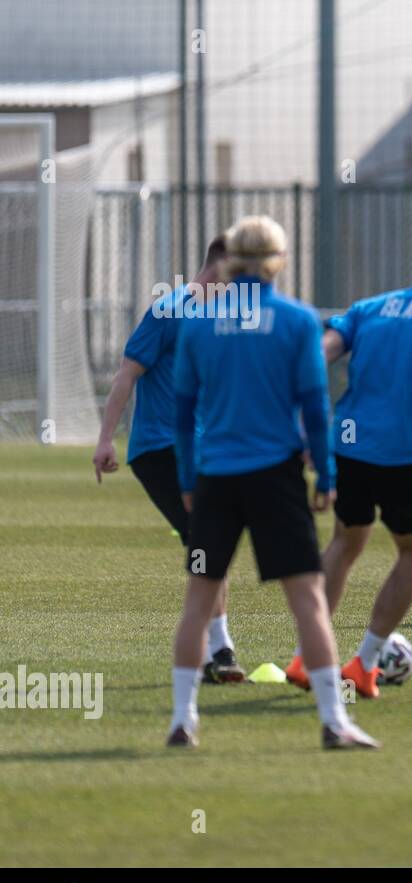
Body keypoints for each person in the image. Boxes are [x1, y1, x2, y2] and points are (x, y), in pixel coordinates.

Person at [167, 214, 377, 750]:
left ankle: (182, 721)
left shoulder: (198, 320)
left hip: (215, 477)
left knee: (198, 600)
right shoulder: (295, 320)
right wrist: (326, 475)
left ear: (231, 259)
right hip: (276, 477)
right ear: (279, 260)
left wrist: (188, 479)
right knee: (307, 599)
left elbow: (183, 410)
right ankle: (334, 721)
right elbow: (313, 405)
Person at [283, 235, 412, 699]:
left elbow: (317, 356)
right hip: (402, 452)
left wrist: (304, 424)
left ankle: (304, 657)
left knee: (345, 541)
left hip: (348, 444)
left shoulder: (369, 308)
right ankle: (365, 663)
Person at [92, 236, 244, 684]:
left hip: (200, 448)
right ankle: (216, 651)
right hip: (160, 448)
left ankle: (213, 652)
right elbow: (127, 373)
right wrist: (105, 440)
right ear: (222, 269)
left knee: (208, 542)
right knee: (207, 540)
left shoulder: (220, 316)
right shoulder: (170, 309)